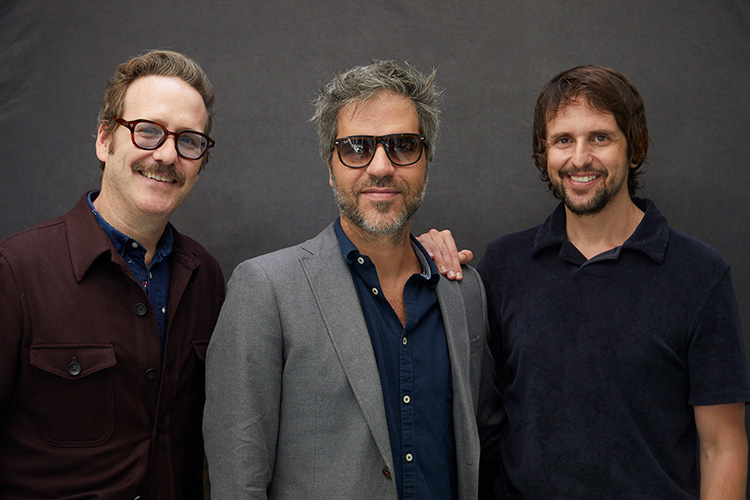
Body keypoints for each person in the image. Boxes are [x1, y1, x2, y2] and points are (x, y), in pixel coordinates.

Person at [421, 65, 750, 498]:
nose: (579, 158)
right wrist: (419, 257)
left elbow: (721, 446)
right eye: (563, 140)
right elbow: (476, 414)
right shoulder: (505, 264)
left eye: (599, 138)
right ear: (544, 153)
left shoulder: (699, 274)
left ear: (635, 148)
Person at [203, 60, 502, 500]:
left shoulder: (464, 290)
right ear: (330, 166)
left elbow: (485, 447)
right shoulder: (265, 289)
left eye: (403, 145)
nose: (381, 167)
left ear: (427, 162)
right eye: (357, 148)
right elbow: (237, 479)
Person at [0, 50, 225, 499]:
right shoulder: (16, 271)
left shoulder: (206, 278)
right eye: (148, 131)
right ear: (105, 140)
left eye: (189, 141)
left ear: (200, 164)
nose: (167, 154)